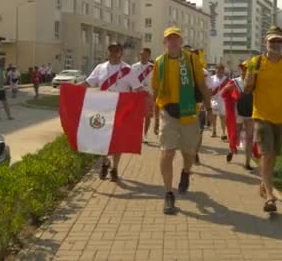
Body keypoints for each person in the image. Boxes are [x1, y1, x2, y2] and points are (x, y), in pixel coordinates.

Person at [244, 25, 282, 213]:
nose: (276, 44)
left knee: (272, 156)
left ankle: (264, 182)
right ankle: (270, 197)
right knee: (267, 155)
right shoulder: (256, 62)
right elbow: (247, 89)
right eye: (272, 41)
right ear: (266, 42)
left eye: (279, 41)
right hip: (262, 116)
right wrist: (250, 77)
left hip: (281, 117)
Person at [152, 26, 211, 215]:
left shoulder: (191, 59)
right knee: (167, 152)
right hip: (168, 112)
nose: (173, 41)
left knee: (189, 153)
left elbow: (202, 84)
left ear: (181, 40)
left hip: (189, 113)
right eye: (170, 38)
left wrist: (209, 108)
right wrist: (155, 118)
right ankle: (168, 193)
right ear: (165, 42)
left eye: (176, 38)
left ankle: (186, 172)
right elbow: (155, 92)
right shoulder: (159, 63)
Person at [82, 42, 147, 182]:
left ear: (121, 52)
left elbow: (138, 88)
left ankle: (115, 168)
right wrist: (70, 89)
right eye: (111, 50)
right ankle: (105, 162)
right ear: (108, 52)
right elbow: (88, 83)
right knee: (102, 140)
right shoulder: (100, 68)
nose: (114, 53)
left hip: (120, 110)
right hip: (103, 109)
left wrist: (145, 98)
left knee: (117, 141)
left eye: (117, 50)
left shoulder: (128, 70)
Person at [221, 61, 254, 169]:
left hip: (251, 114)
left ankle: (247, 163)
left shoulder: (255, 82)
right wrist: (230, 90)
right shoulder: (235, 81)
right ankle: (231, 149)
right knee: (235, 135)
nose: (245, 70)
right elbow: (224, 92)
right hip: (238, 113)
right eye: (243, 68)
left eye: (247, 68)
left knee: (250, 138)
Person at [131, 48, 155, 144]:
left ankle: (145, 135)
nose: (143, 56)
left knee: (148, 116)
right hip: (136, 94)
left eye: (145, 54)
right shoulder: (133, 67)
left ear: (149, 56)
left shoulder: (153, 67)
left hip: (148, 94)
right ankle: (137, 134)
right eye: (141, 54)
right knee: (137, 116)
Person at [210, 64, 229, 141]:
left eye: (221, 69)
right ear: (215, 70)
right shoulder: (211, 78)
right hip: (214, 99)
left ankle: (223, 133)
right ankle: (214, 131)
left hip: (223, 100)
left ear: (223, 70)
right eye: (218, 69)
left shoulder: (227, 79)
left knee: (222, 117)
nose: (219, 71)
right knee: (213, 116)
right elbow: (209, 89)